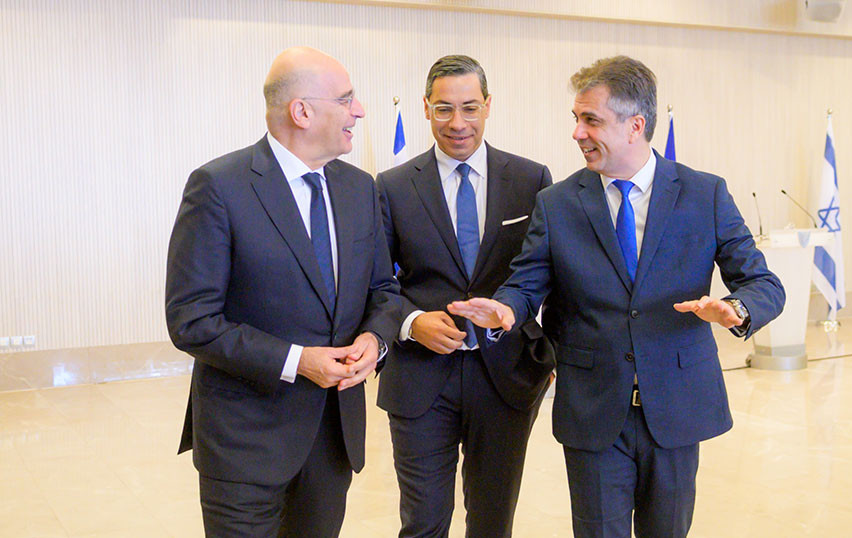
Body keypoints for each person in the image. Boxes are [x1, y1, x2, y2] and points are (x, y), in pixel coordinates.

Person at [449, 55, 785, 537]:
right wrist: (504, 308)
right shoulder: (557, 203)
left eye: (591, 120)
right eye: (576, 118)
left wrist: (735, 307)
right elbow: (526, 282)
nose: (577, 133)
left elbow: (764, 283)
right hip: (592, 409)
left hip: (676, 408)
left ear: (635, 125)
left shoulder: (704, 194)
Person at [165, 47, 401, 537]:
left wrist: (374, 341)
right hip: (244, 444)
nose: (359, 111)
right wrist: (298, 361)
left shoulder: (360, 188)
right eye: (347, 99)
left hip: (332, 440)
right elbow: (191, 319)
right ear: (302, 111)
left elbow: (383, 290)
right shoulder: (219, 187)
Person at [376, 54, 555, 538]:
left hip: (505, 376)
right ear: (426, 108)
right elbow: (376, 283)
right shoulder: (392, 187)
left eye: (470, 107)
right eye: (444, 109)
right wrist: (412, 322)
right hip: (420, 377)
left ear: (488, 105)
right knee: (423, 523)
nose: (458, 123)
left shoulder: (532, 180)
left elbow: (546, 271)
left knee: (493, 522)